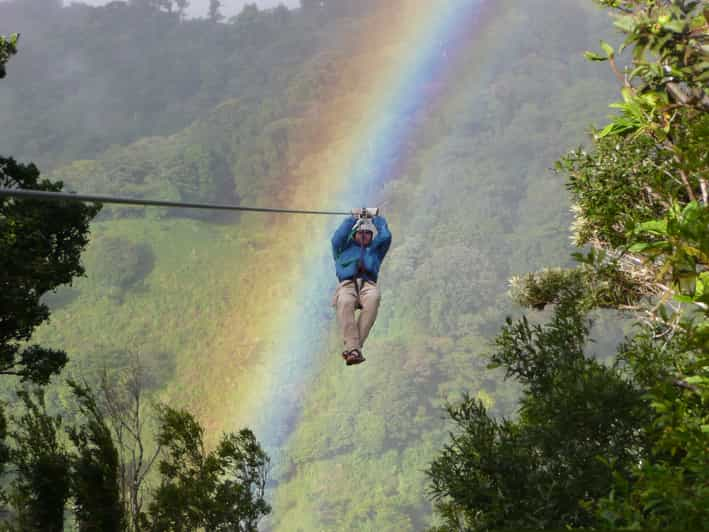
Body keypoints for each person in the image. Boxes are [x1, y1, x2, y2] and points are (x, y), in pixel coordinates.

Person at [331, 209, 392, 365]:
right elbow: (337, 238)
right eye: (360, 232)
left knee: (374, 298)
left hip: (368, 284)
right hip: (347, 284)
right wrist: (352, 219)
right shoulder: (342, 249)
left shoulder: (375, 251)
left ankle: (353, 348)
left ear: (371, 236)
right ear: (354, 234)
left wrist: (376, 218)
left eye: (368, 233)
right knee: (344, 302)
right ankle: (354, 349)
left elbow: (385, 236)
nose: (364, 235)